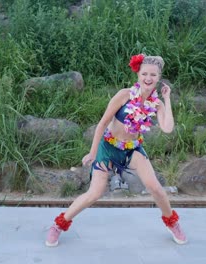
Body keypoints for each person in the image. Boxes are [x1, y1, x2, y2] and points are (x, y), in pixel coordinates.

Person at [45, 54, 188, 247]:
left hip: (132, 150)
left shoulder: (157, 104)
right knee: (94, 193)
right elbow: (103, 123)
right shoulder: (124, 95)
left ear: (158, 77)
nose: (148, 78)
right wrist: (93, 152)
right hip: (108, 147)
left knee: (156, 188)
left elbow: (168, 128)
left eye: (153, 74)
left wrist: (167, 99)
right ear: (138, 74)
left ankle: (172, 222)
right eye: (144, 73)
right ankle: (58, 225)